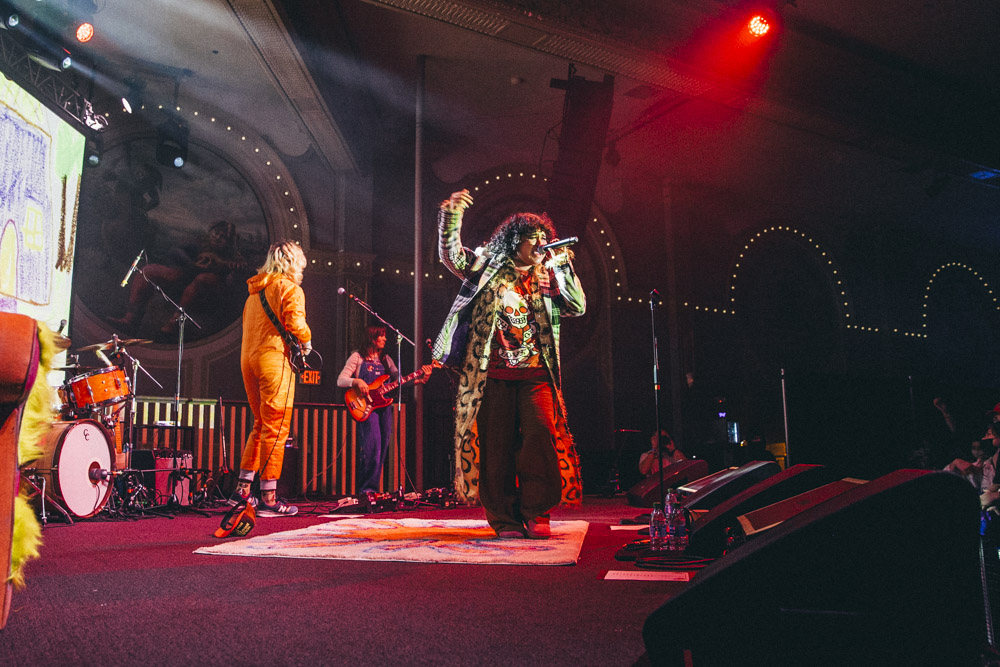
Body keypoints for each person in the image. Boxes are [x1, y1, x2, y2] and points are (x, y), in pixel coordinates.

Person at [431, 189, 586, 539]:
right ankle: (504, 519)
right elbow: (451, 256)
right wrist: (451, 218)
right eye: (535, 238)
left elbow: (578, 307)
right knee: (496, 447)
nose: (542, 243)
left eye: (545, 238)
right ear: (515, 241)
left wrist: (562, 266)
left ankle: (537, 512)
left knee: (539, 436)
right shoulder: (487, 269)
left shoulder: (548, 275)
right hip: (492, 376)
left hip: (536, 375)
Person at [229, 240, 311, 517]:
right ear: (292, 261)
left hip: (248, 360)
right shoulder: (290, 289)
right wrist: (307, 341)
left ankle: (242, 492)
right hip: (274, 359)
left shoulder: (253, 293)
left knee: (260, 424)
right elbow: (296, 324)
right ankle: (268, 499)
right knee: (276, 429)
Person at [337, 324, 431, 506]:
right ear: (372, 338)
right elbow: (341, 380)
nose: (385, 339)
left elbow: (399, 382)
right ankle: (366, 491)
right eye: (382, 336)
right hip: (365, 408)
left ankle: (372, 490)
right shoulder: (357, 357)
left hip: (384, 407)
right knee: (372, 448)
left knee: (383, 449)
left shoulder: (386, 360)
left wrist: (420, 379)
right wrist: (356, 381)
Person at [109, 220, 246, 334]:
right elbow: (175, 251)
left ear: (229, 243)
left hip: (206, 300)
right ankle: (131, 318)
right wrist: (193, 265)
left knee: (204, 279)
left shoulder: (233, 257)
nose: (217, 238)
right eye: (216, 233)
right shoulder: (199, 244)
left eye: (223, 237)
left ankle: (174, 323)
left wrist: (224, 267)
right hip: (180, 285)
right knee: (148, 271)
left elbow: (231, 284)